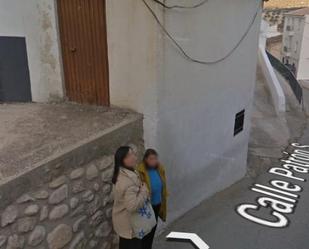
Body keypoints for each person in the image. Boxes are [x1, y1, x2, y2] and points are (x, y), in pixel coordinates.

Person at [112, 146, 149, 249]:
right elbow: (132, 206)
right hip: (130, 225)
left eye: (133, 154)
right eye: (128, 156)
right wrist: (144, 191)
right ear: (122, 160)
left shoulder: (123, 173)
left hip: (124, 224)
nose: (133, 157)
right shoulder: (128, 182)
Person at [137, 149, 168, 249]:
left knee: (153, 228)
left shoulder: (159, 168)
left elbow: (163, 183)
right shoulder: (140, 171)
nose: (153, 161)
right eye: (151, 159)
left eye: (155, 158)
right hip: (147, 206)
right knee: (146, 230)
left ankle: (148, 247)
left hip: (158, 203)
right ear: (145, 159)